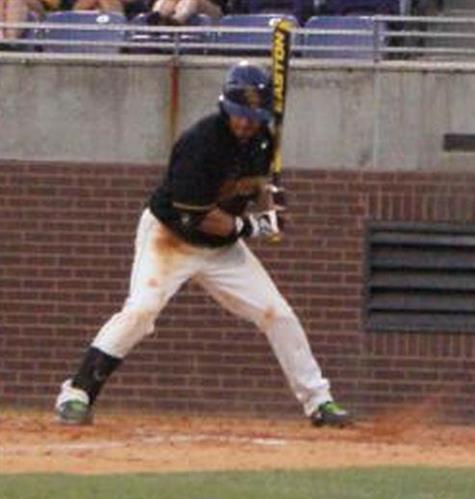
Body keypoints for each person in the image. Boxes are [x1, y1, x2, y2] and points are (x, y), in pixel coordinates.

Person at [54, 61, 352, 429]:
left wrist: (270, 202)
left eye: (252, 115)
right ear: (225, 106)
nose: (244, 122)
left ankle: (319, 402)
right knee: (142, 311)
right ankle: (78, 393)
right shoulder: (201, 142)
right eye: (239, 114)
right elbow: (202, 218)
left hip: (222, 249)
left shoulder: (263, 138)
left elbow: (254, 186)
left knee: (279, 315)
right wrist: (253, 226)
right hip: (170, 237)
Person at [144, 0, 223, 25]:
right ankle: (158, 15)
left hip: (213, 9)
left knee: (190, 0)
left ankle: (176, 20)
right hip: (180, 5)